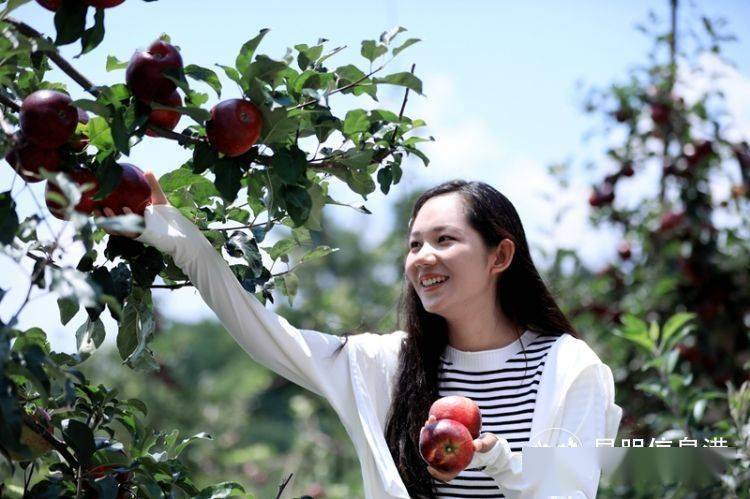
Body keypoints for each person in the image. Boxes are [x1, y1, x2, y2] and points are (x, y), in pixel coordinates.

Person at [98, 174, 622, 498]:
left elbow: (568, 492)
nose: (423, 258)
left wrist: (496, 459)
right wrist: (180, 242)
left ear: (500, 257)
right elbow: (264, 334)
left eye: (445, 240)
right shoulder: (389, 365)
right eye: (414, 244)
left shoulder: (570, 368)